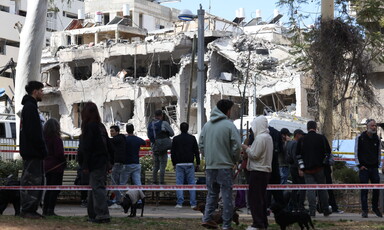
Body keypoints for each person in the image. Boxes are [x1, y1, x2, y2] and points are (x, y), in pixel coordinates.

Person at [199, 99, 241, 230]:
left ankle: (207, 218)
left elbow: (201, 145)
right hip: (225, 166)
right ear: (228, 111)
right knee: (227, 196)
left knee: (212, 194)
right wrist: (235, 159)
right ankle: (227, 225)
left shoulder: (206, 126)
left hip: (211, 166)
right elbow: (237, 146)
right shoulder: (229, 125)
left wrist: (209, 157)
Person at [79, 102, 113, 223]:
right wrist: (110, 162)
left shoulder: (89, 127)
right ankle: (93, 214)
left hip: (95, 162)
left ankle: (102, 215)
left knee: (97, 188)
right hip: (102, 161)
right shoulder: (101, 126)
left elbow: (87, 148)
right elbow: (108, 145)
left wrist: (85, 164)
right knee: (95, 187)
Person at [19, 81, 47, 219]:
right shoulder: (30, 108)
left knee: (34, 180)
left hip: (32, 151)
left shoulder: (29, 107)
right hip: (33, 152)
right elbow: (34, 132)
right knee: (32, 180)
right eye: (41, 90)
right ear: (35, 92)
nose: (43, 93)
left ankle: (30, 209)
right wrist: (42, 148)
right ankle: (28, 209)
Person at [241, 116, 273, 230]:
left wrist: (246, 148)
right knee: (261, 199)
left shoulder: (260, 138)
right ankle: (263, 223)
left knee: (255, 199)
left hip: (258, 171)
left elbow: (254, 155)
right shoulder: (268, 137)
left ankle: (257, 224)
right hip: (265, 172)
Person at [296, 121, 331, 217]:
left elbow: (298, 155)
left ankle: (312, 211)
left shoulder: (302, 140)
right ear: (315, 128)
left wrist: (301, 168)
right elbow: (328, 152)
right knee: (322, 189)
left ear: (307, 128)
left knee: (310, 190)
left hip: (307, 169)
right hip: (320, 168)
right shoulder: (322, 138)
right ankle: (325, 209)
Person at [355, 118, 383, 218]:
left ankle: (375, 208)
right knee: (364, 190)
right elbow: (356, 152)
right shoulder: (360, 138)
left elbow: (379, 152)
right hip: (364, 168)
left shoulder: (377, 138)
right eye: (372, 125)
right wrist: (359, 165)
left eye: (375, 126)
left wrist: (378, 164)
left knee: (376, 190)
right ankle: (364, 210)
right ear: (367, 127)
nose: (374, 127)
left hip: (374, 168)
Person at [171, 122, 200, 209]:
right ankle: (193, 203)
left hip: (179, 164)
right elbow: (196, 152)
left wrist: (174, 163)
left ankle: (180, 203)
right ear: (187, 129)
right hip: (189, 163)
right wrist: (198, 163)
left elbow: (173, 152)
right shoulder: (192, 138)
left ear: (180, 129)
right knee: (191, 183)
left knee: (179, 183)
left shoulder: (176, 139)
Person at [43, 118, 66, 216]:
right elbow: (59, 153)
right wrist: (64, 161)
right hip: (56, 166)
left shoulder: (44, 138)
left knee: (49, 188)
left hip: (47, 166)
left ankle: (45, 209)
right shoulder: (56, 139)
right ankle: (50, 209)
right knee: (55, 188)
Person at [147, 110, 174, 185]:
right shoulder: (164, 123)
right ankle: (161, 182)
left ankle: (154, 181)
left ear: (154, 115)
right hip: (162, 147)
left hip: (154, 146)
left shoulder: (150, 124)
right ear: (161, 115)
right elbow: (172, 133)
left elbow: (149, 135)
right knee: (162, 165)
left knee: (156, 165)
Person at [286, 129, 306, 212]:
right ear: (297, 135)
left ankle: (294, 206)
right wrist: (300, 168)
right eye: (301, 135)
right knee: (302, 187)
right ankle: (300, 206)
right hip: (296, 167)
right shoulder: (296, 143)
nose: (303, 137)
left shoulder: (290, 143)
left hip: (292, 167)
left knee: (295, 186)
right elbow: (296, 156)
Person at [109, 125, 127, 206]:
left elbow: (109, 141)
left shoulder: (117, 139)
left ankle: (119, 200)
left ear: (117, 132)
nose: (111, 132)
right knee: (119, 183)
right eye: (110, 131)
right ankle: (119, 199)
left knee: (114, 183)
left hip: (117, 163)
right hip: (120, 163)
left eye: (112, 131)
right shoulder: (121, 139)